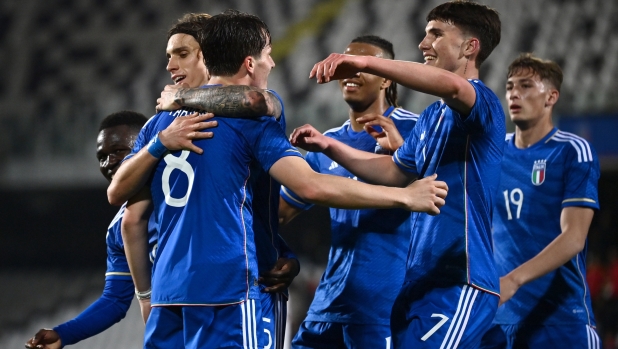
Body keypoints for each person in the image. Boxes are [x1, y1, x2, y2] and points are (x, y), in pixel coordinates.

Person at [115, 10, 448, 349]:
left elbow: (125, 205)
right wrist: (405, 196)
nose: (272, 64)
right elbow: (310, 185)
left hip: (168, 293)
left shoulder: (159, 125)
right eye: (268, 54)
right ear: (249, 63)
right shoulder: (254, 119)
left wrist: (145, 295)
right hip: (228, 290)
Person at [291, 1, 504, 347]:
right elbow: (394, 172)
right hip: (421, 279)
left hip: (460, 278)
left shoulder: (483, 102)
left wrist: (362, 61)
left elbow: (452, 87)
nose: (423, 44)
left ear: (470, 47)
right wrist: (329, 147)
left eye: (435, 34)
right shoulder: (432, 117)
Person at [277, 34, 418, 349]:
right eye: (345, 64)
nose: (350, 73)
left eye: (360, 65)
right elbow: (281, 214)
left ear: (386, 77)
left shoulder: (415, 130)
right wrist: (284, 255)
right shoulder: (323, 144)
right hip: (328, 303)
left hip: (385, 305)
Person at [480, 53, 601, 348]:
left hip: (561, 320)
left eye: (525, 86)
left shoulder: (572, 151)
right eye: (509, 87)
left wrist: (513, 280)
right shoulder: (492, 154)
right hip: (498, 321)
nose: (514, 94)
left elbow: (573, 238)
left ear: (551, 97)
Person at [25, 111, 155, 349]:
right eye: (102, 157)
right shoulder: (118, 230)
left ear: (149, 143)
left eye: (118, 150)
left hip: (220, 319)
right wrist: (63, 334)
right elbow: (115, 299)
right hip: (169, 335)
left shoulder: (184, 196)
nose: (108, 163)